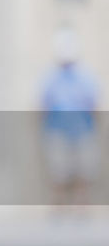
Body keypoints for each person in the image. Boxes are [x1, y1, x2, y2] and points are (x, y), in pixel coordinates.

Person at [39, 27, 101, 215]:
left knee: (84, 167)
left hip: (83, 127)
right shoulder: (50, 76)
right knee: (58, 168)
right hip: (57, 126)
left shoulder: (86, 75)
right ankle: (58, 205)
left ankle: (81, 204)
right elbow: (43, 103)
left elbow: (94, 104)